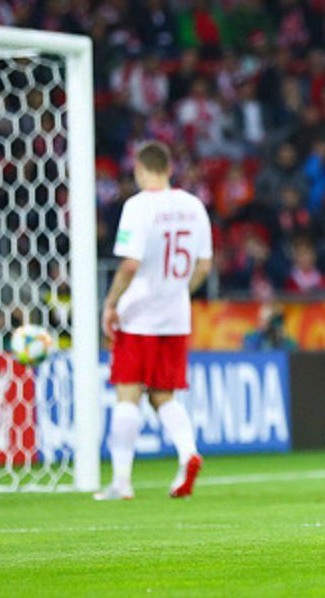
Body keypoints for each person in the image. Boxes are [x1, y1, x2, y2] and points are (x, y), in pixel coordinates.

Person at [95, 142, 211, 501]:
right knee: (163, 394)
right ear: (169, 168)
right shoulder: (193, 206)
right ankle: (188, 453)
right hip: (175, 315)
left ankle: (121, 482)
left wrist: (111, 303)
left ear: (140, 170)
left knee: (128, 392)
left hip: (139, 316)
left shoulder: (138, 206)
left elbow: (130, 264)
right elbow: (204, 266)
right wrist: (177, 292)